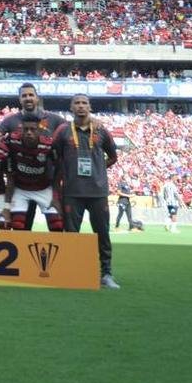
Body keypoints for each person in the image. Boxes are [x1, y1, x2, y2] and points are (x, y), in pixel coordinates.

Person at [51, 94, 119, 289]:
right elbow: (54, 158)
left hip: (98, 192)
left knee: (102, 234)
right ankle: (73, 273)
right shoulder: (63, 131)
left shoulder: (101, 130)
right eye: (77, 103)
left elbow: (113, 157)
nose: (81, 106)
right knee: (72, 235)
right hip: (72, 192)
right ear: (71, 107)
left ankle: (106, 274)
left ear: (90, 107)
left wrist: (98, 169)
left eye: (84, 103)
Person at [0, 83, 66, 229]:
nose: (28, 98)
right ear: (19, 99)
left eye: (31, 95)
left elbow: (73, 131)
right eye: (24, 96)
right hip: (21, 186)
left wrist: (92, 121)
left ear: (37, 97)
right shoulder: (11, 120)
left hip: (46, 185)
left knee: (58, 226)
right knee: (23, 227)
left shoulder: (54, 119)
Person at [2, 116, 63, 231]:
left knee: (57, 226)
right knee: (17, 226)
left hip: (43, 188)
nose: (29, 132)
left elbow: (60, 168)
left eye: (32, 129)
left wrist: (56, 196)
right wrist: (7, 205)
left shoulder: (49, 145)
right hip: (21, 189)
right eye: (26, 129)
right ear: (21, 129)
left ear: (39, 130)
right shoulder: (12, 140)